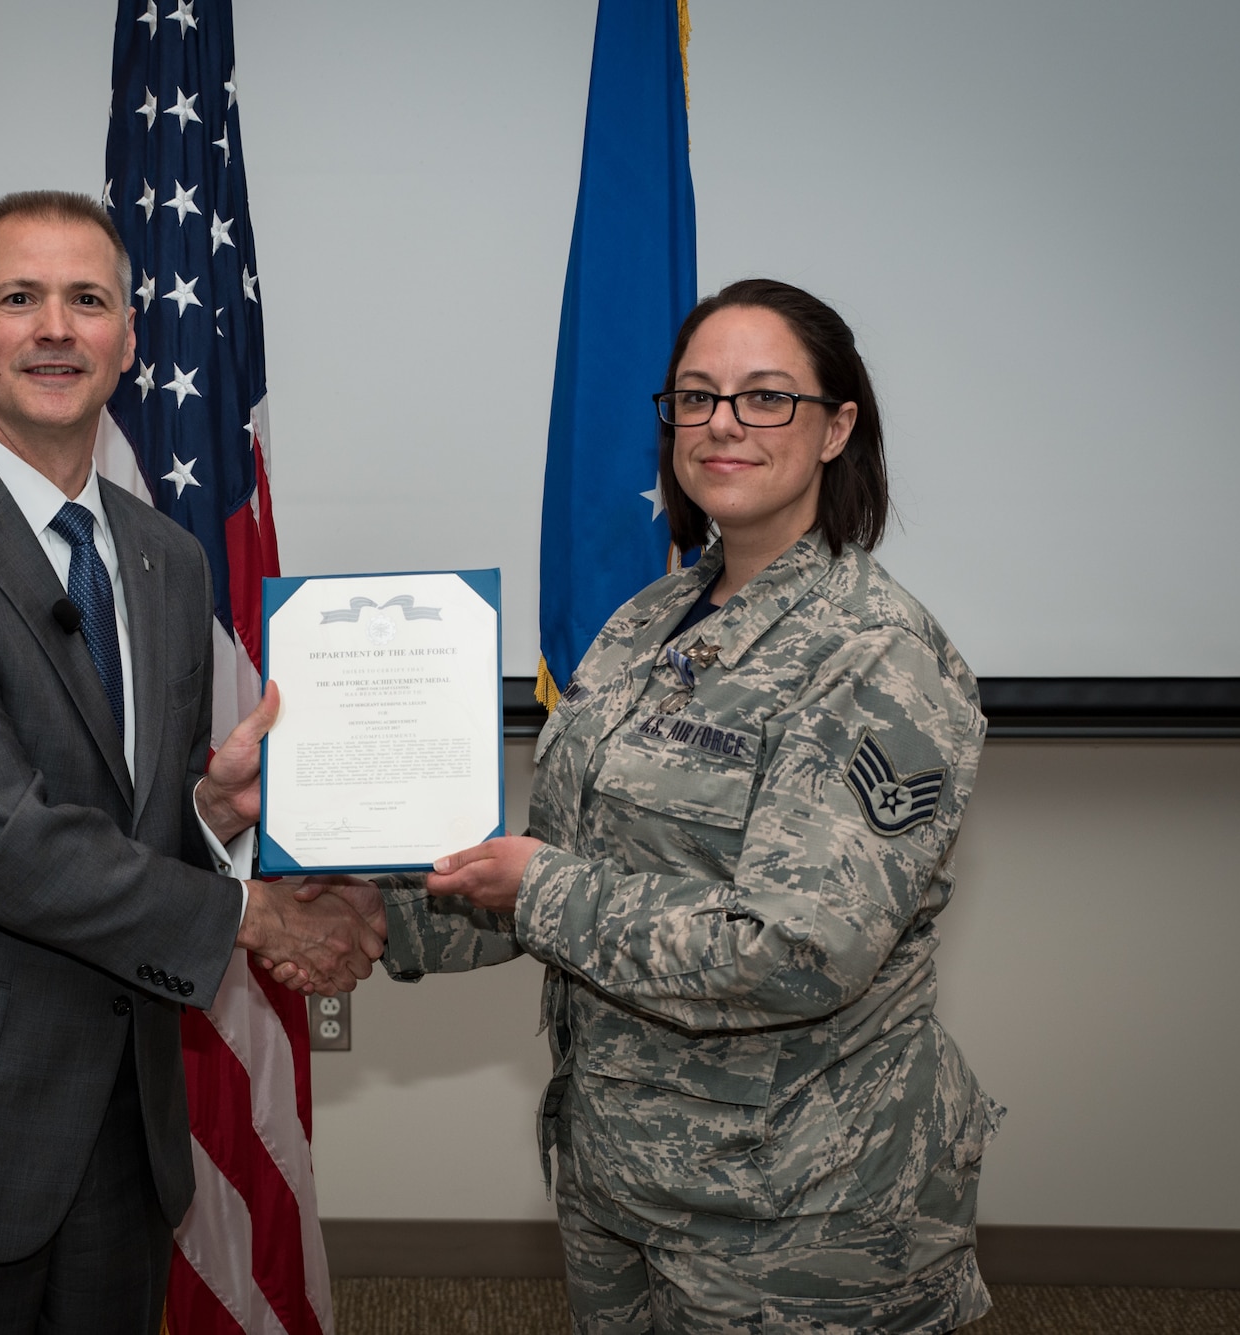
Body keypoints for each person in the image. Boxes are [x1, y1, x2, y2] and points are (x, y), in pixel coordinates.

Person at [297, 279, 1002, 1331]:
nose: (722, 423)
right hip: (619, 1171)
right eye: (695, 396)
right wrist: (364, 911)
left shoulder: (873, 655)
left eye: (765, 398)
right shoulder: (649, 620)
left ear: (835, 428)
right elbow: (568, 858)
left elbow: (795, 950)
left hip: (795, 1211)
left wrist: (537, 888)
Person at [0, 190, 381, 1335]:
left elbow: (121, 820)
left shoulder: (162, 557)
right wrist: (253, 918)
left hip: (120, 1141)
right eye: (18, 298)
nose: (55, 328)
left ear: (128, 340)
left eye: (87, 300)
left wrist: (207, 811)